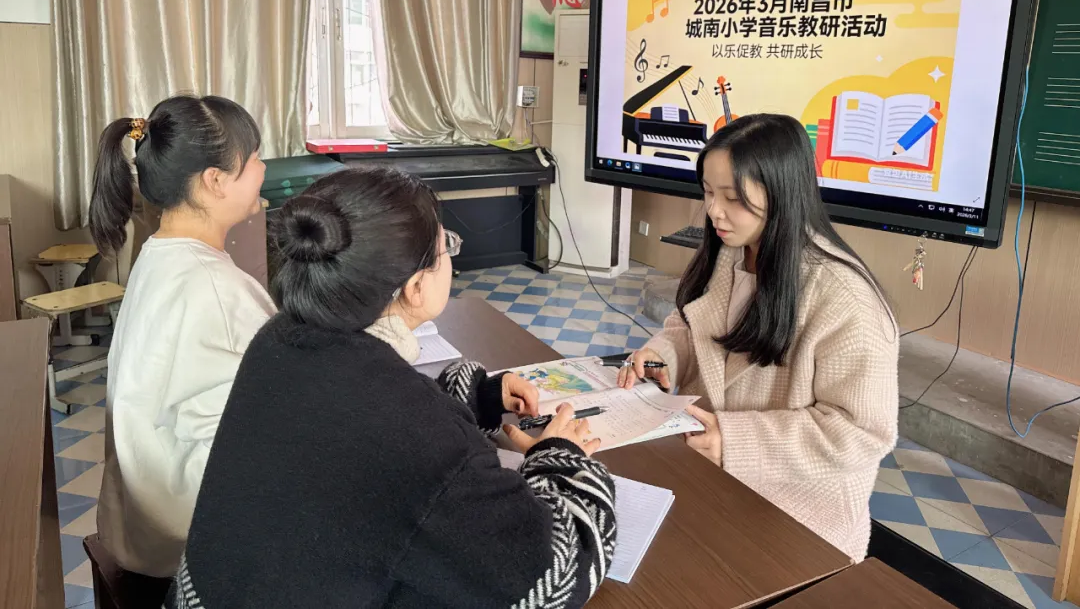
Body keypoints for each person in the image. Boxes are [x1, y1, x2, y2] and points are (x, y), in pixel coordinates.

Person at [169, 166, 617, 609]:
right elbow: (556, 578)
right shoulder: (417, 434)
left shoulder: (281, 339)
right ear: (416, 287)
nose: (452, 258)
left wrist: (479, 397)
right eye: (447, 247)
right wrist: (560, 457)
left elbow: (363, 426)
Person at [618, 114, 898, 562]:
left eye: (733, 198)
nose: (714, 211)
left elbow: (861, 432)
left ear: (782, 193)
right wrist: (663, 355)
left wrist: (734, 441)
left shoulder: (845, 299)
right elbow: (689, 327)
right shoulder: (729, 253)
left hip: (796, 519)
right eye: (708, 192)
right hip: (711, 484)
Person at [90, 94, 276, 581]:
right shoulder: (215, 286)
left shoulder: (159, 254)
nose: (263, 169)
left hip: (140, 522)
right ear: (215, 180)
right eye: (255, 158)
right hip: (187, 538)